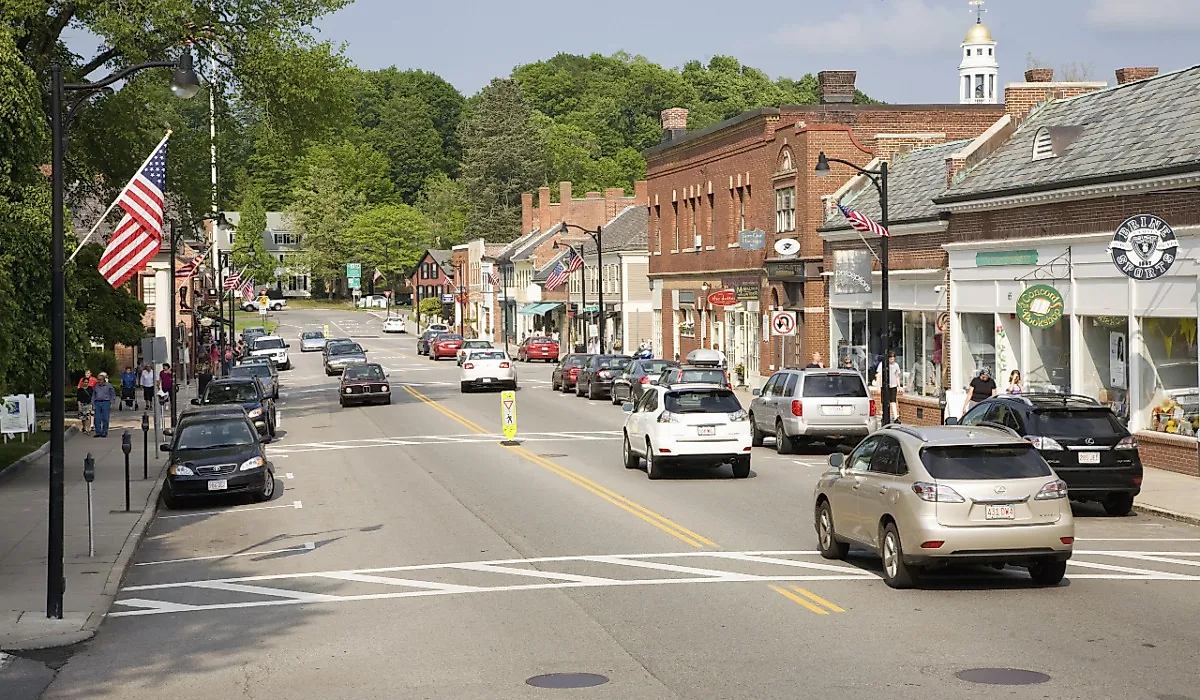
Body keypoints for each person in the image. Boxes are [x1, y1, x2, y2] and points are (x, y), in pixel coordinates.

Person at [875, 351, 902, 423]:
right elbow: (878, 375)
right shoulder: (882, 364)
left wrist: (899, 386)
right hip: (885, 386)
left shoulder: (896, 365)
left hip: (893, 386)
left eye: (893, 359)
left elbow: (897, 376)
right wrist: (878, 386)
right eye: (891, 359)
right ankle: (883, 416)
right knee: (884, 402)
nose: (892, 361)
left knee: (893, 401)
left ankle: (896, 417)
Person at [91, 372, 117, 437]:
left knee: (105, 418)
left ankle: (104, 432)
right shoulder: (96, 386)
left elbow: (113, 394)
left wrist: (112, 402)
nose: (98, 381)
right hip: (97, 403)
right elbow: (93, 395)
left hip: (106, 402)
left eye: (100, 380)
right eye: (98, 379)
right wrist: (93, 403)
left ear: (104, 380)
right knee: (97, 418)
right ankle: (98, 432)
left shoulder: (109, 385)